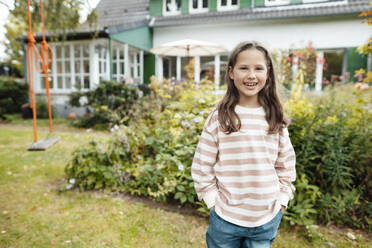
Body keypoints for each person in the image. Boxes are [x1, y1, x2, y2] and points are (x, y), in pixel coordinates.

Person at [191, 41, 296, 248]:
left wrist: (282, 200)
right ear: (231, 72)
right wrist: (212, 202)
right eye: (243, 68)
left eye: (258, 68)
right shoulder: (220, 117)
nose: (251, 75)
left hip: (266, 218)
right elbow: (202, 165)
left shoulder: (274, 116)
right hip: (225, 218)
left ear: (268, 73)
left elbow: (286, 164)